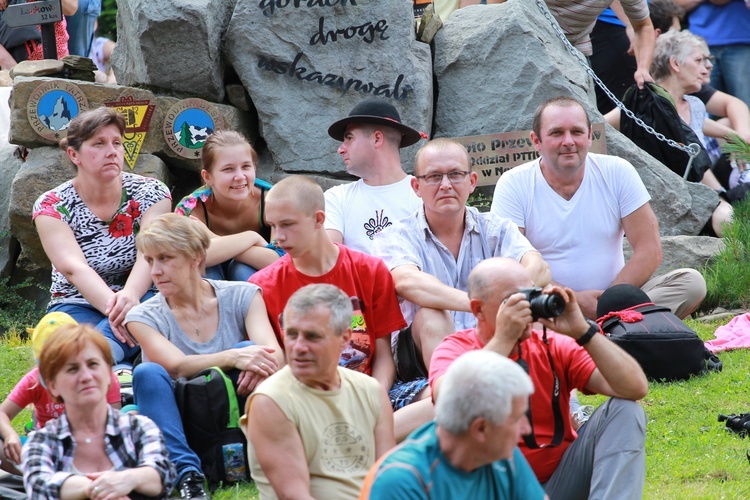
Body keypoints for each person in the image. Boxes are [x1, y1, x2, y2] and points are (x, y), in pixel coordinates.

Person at [429, 257, 648, 498]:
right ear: (478, 309)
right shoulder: (456, 349)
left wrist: (584, 331)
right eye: (511, 301)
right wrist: (503, 340)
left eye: (529, 296)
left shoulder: (552, 344)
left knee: (625, 411)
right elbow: (448, 401)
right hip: (494, 486)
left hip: (560, 480)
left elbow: (635, 387)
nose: (525, 309)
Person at [492, 96, 706, 319]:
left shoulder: (617, 171)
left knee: (691, 283)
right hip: (551, 305)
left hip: (615, 300)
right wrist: (571, 300)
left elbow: (649, 250)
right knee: (515, 301)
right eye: (557, 133)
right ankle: (622, 331)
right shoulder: (514, 184)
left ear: (589, 135)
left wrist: (609, 302)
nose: (568, 141)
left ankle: (608, 326)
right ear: (536, 140)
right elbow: (511, 263)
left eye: (576, 132)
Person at [249, 176, 427, 441]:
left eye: (287, 225)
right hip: (307, 401)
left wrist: (370, 401)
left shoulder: (369, 270)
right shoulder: (263, 286)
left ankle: (358, 439)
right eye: (272, 226)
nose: (277, 238)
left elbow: (383, 357)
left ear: (319, 219)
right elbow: (281, 366)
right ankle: (368, 440)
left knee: (444, 399)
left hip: (369, 392)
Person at [124, 213, 284, 499]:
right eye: (149, 261)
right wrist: (233, 356)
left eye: (165, 258)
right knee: (147, 373)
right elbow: (175, 367)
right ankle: (188, 476)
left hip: (234, 412)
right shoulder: (141, 316)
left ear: (196, 257)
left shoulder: (244, 295)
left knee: (256, 352)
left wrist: (251, 358)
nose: (155, 271)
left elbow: (276, 356)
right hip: (179, 422)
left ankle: (262, 453)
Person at [372, 138, 549, 376]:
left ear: (471, 181)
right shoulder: (395, 236)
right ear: (416, 187)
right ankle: (457, 398)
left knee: (535, 309)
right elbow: (406, 282)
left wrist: (509, 302)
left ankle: (558, 402)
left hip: (494, 335)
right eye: (434, 176)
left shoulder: (495, 228)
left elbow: (538, 267)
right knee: (431, 315)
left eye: (455, 174)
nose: (445, 185)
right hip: (419, 359)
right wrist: (484, 305)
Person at [33, 107, 172, 364]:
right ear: (74, 154)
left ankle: (100, 362)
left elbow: (150, 253)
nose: (112, 151)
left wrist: (130, 297)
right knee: (69, 338)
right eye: (99, 143)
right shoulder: (51, 204)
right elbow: (74, 268)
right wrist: (120, 311)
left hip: (144, 295)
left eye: (117, 143)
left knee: (80, 352)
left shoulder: (152, 193)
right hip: (77, 302)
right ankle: (118, 364)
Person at [243, 284, 394, 499]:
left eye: (312, 336)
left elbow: (387, 479)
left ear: (344, 338)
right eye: (292, 334)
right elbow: (294, 495)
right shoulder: (271, 401)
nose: (298, 347)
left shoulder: (371, 391)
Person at [360, 350, 546, 500]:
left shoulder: (503, 454)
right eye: (516, 419)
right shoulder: (401, 481)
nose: (527, 429)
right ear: (480, 429)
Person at [605, 30, 738, 234]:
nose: (706, 67)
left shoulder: (694, 105)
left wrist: (736, 139)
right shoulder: (642, 102)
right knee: (728, 218)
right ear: (675, 64)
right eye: (699, 60)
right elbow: (599, 127)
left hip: (701, 194)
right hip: (660, 198)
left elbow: (694, 127)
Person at [22, 323, 175, 499]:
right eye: (72, 369)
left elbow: (162, 476)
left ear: (108, 374)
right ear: (53, 386)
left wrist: (126, 480)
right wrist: (101, 488)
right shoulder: (42, 441)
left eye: (93, 364)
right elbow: (39, 487)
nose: (86, 377)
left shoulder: (140, 428)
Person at [0, 312, 121, 477]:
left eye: (91, 364)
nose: (85, 377)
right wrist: (10, 435)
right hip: (48, 449)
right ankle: (35, 475)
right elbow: (2, 413)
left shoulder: (102, 378)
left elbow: (116, 423)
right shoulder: (33, 381)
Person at [175, 130, 281, 281]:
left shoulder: (274, 200)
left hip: (255, 279)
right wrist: (251, 239)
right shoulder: (191, 208)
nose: (240, 177)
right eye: (228, 169)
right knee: (205, 270)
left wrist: (213, 238)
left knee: (241, 268)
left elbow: (279, 262)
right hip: (209, 283)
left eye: (246, 166)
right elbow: (192, 260)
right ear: (208, 176)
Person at [325, 98, 424, 254]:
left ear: (377, 138)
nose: (340, 149)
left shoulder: (424, 195)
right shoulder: (337, 198)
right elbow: (328, 258)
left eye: (349, 138)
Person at [592, 0, 685, 113]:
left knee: (605, 104)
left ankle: (597, 130)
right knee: (637, 109)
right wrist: (630, 24)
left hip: (629, 22)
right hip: (616, 25)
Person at [675, 0, 750, 109]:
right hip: (699, 43)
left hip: (741, 40)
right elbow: (673, 4)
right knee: (699, 109)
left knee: (745, 106)